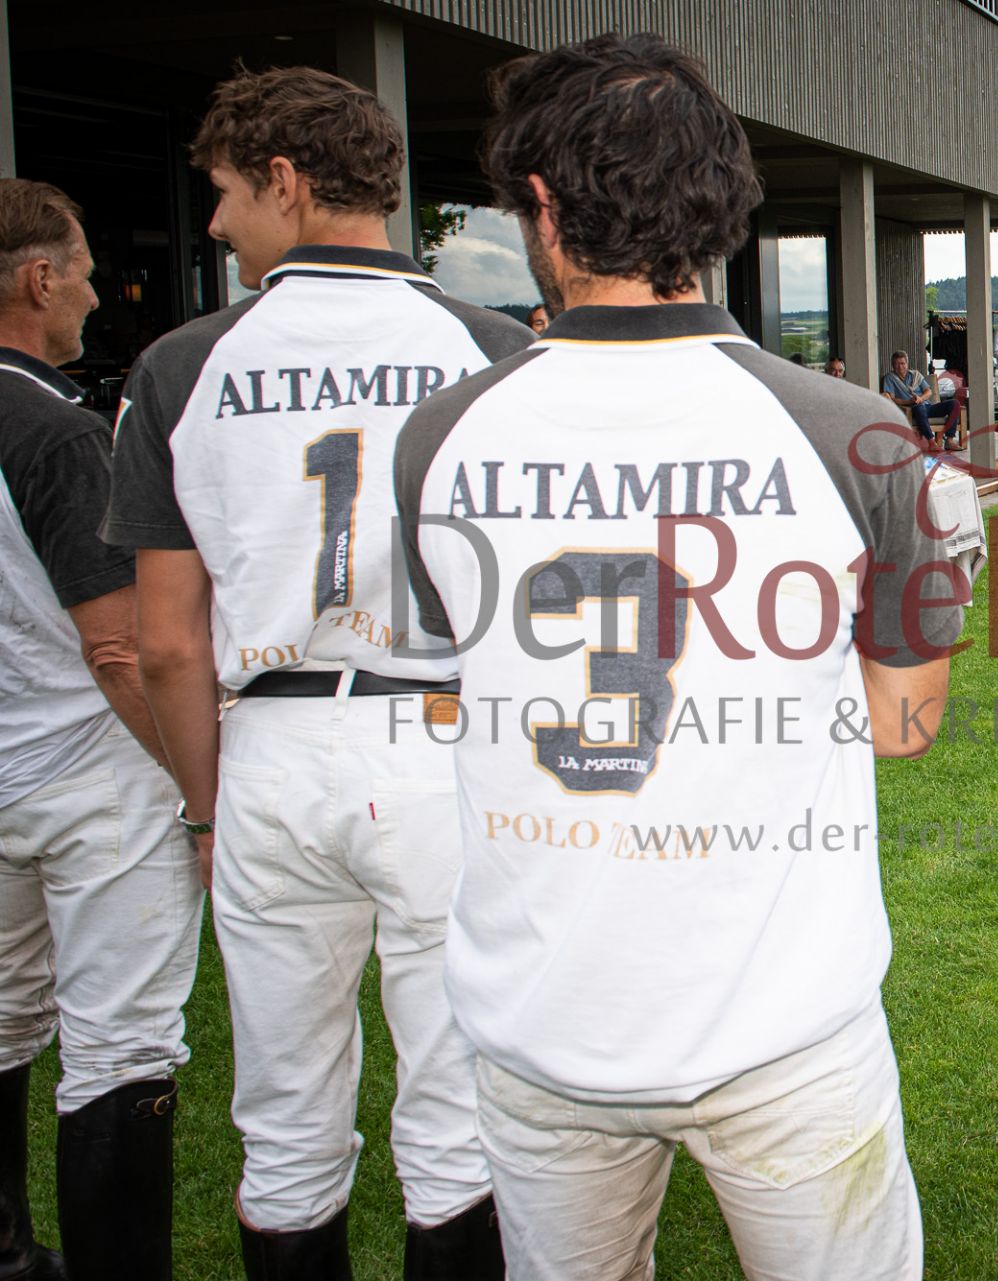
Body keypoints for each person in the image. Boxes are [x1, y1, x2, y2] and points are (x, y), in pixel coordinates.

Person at [393, 33, 958, 1280]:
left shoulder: (440, 435)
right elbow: (905, 725)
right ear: (720, 202)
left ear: (542, 205)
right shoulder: (849, 430)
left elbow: (448, 703)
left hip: (541, 1015)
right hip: (783, 1024)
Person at [104, 66, 530, 1273]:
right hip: (446, 738)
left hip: (273, 748)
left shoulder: (182, 364)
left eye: (227, 192)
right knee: (456, 1119)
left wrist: (204, 807)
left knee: (286, 1120)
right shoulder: (495, 349)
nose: (216, 223)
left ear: (285, 182)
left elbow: (166, 641)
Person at [0, 179, 203, 1280]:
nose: (92, 294)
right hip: (91, 775)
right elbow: (120, 647)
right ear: (40, 279)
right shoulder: (59, 430)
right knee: (121, 1045)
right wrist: (201, 789)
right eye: (83, 271)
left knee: (0, 1018)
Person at [881, 349, 953, 447]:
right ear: (892, 365)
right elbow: (892, 399)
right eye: (897, 364)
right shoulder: (890, 378)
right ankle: (931, 442)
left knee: (954, 404)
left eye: (902, 363)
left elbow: (929, 391)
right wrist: (908, 401)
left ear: (907, 364)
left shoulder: (915, 375)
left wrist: (921, 399)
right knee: (919, 407)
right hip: (913, 409)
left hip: (927, 405)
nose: (900, 366)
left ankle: (949, 440)